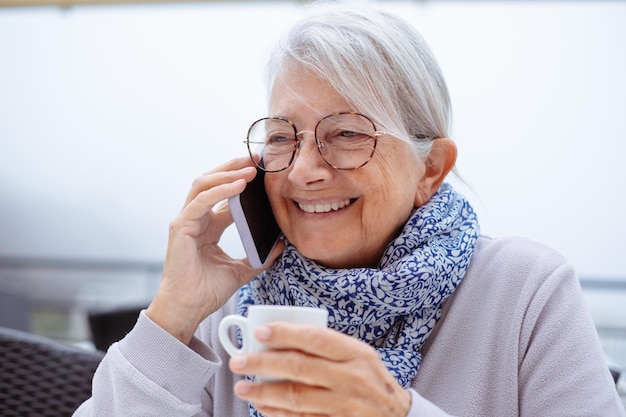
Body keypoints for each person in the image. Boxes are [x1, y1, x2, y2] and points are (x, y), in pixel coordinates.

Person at [74, 4, 625, 417]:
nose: (303, 170)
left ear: (430, 168)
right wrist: (172, 316)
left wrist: (398, 413)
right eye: (283, 137)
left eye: (346, 134)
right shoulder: (234, 311)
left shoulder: (525, 293)